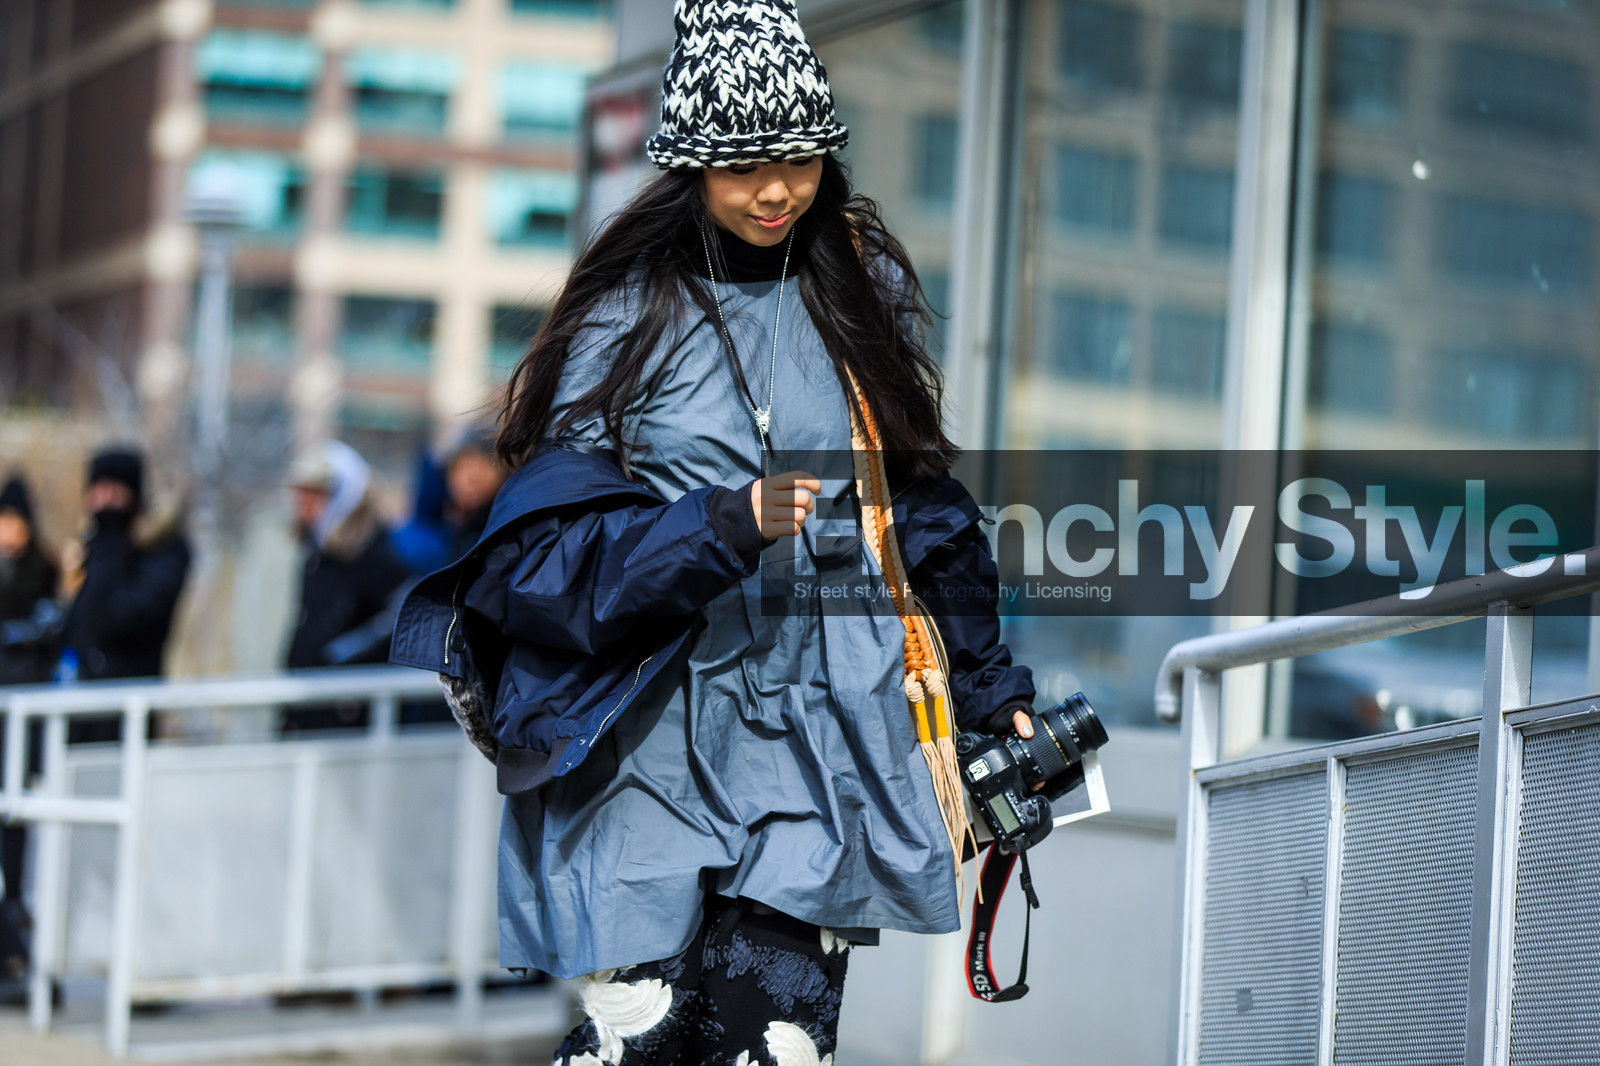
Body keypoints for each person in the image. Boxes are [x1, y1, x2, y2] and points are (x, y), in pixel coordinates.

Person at [389, 1, 1038, 1061]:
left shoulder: (850, 299)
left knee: (771, 1045)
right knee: (636, 1046)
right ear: (690, 165)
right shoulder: (621, 325)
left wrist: (989, 688)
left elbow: (920, 519)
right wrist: (722, 525)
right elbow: (546, 564)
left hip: (825, 741)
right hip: (651, 739)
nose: (777, 189)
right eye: (742, 165)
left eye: (797, 157)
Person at [282, 442, 410, 732]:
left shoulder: (375, 556)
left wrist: (336, 657)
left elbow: (395, 621)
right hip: (305, 710)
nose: (303, 505)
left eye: (315, 496)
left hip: (349, 720)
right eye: (301, 495)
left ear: (344, 497)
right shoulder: (316, 556)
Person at [59, 447, 191, 691]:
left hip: (131, 698)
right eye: (97, 489)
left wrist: (110, 541)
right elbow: (77, 625)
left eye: (113, 490)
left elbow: (124, 618)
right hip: (79, 696)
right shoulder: (90, 547)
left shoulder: (161, 549)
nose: (103, 500)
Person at [0, 474, 59, 999]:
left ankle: (18, 954)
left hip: (23, 726)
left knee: (18, 838)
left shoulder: (44, 569)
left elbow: (53, 630)